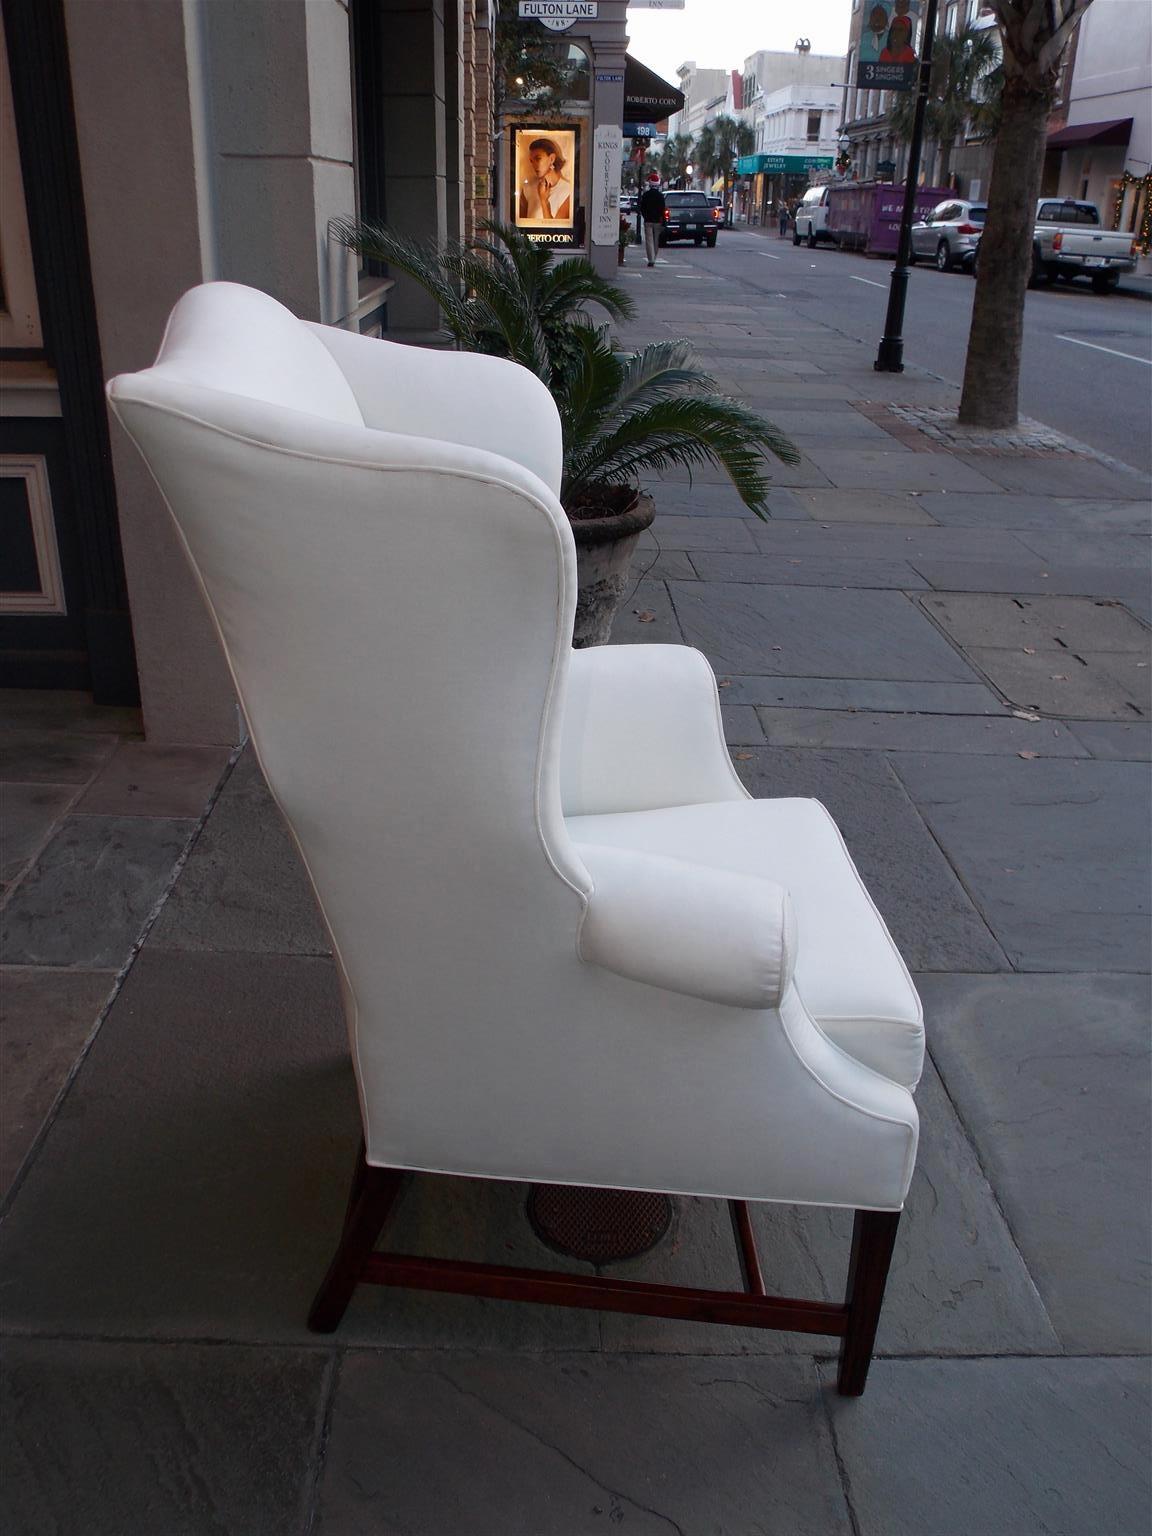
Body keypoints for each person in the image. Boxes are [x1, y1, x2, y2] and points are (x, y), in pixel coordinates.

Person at [518, 138, 572, 222]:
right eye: (531, 161)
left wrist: (544, 201)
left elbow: (556, 231)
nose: (534, 165)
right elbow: (520, 226)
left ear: (552, 159)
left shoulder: (567, 191)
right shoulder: (527, 188)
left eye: (538, 159)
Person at [638, 174, 666, 267]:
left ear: (650, 184)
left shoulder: (646, 195)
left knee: (649, 240)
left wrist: (645, 216)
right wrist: (663, 220)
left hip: (648, 220)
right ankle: (654, 256)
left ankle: (651, 259)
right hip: (657, 221)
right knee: (656, 240)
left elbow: (642, 208)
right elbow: (663, 209)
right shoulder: (660, 196)